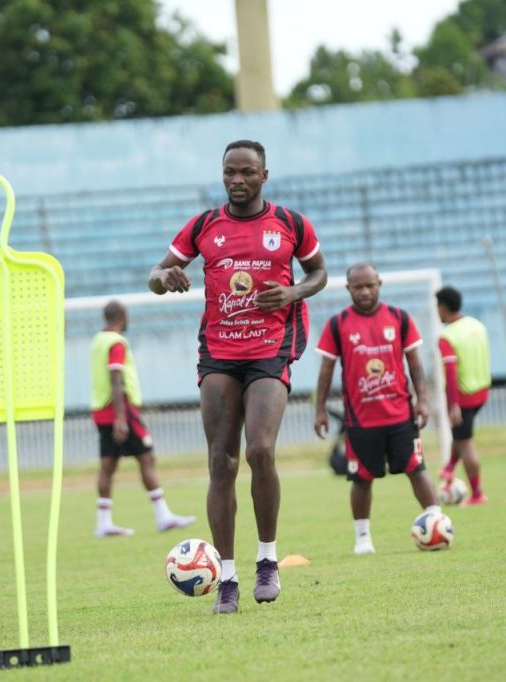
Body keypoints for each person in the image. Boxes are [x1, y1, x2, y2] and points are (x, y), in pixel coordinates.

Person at [148, 140, 328, 614]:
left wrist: (292, 292)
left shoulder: (290, 224)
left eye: (247, 172)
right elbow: (156, 270)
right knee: (220, 462)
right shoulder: (205, 225)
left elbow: (319, 273)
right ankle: (225, 578)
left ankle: (266, 560)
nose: (237, 180)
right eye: (230, 171)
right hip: (219, 354)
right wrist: (164, 278)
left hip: (271, 349)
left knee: (261, 450)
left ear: (264, 175)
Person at [313, 262, 440, 555]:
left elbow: (416, 364)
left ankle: (436, 521)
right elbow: (326, 370)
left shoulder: (399, 318)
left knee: (416, 469)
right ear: (349, 289)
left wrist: (422, 399)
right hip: (360, 420)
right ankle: (362, 538)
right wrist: (320, 409)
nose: (365, 291)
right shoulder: (337, 324)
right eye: (358, 286)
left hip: (400, 415)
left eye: (370, 285)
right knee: (362, 479)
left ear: (379, 283)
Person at [90, 300, 196, 537]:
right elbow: (116, 378)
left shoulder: (98, 341)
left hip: (100, 410)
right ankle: (163, 516)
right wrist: (121, 417)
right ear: (123, 316)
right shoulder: (116, 342)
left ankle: (103, 522)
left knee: (108, 464)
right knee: (147, 457)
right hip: (121, 410)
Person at [435, 286, 491, 505]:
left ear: (443, 307)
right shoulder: (478, 326)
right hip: (482, 390)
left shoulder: (447, 336)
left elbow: (451, 372)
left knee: (465, 442)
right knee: (459, 436)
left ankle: (477, 494)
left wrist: (453, 404)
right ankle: (449, 467)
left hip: (464, 396)